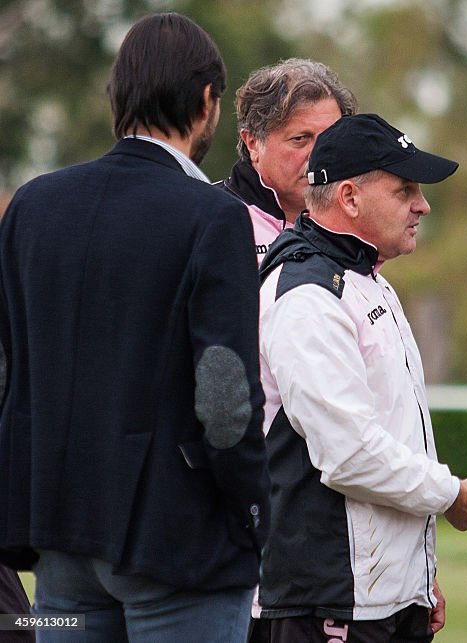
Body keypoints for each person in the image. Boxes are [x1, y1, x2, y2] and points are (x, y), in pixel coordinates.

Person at [0, 13, 269, 642]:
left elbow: (10, 372)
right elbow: (225, 397)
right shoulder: (213, 217)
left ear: (116, 96)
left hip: (59, 534)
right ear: (207, 101)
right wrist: (254, 513)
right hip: (180, 543)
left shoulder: (33, 206)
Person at [251, 113, 467, 642]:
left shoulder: (365, 278)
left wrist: (415, 579)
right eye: (405, 190)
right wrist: (450, 495)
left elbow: (394, 435)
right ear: (349, 197)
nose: (422, 205)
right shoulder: (307, 293)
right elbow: (348, 454)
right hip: (325, 602)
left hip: (377, 601)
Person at [219, 58, 357, 262]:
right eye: (300, 139)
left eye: (331, 138)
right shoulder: (209, 219)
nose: (319, 154)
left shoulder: (356, 224)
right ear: (253, 143)